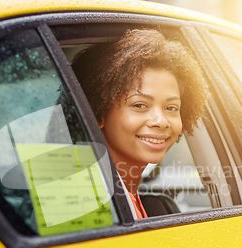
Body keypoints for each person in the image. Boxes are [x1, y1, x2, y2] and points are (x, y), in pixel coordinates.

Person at [71, 29, 209, 218]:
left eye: (171, 108)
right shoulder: (82, 200)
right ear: (99, 113)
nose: (161, 121)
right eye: (140, 105)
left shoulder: (121, 195)